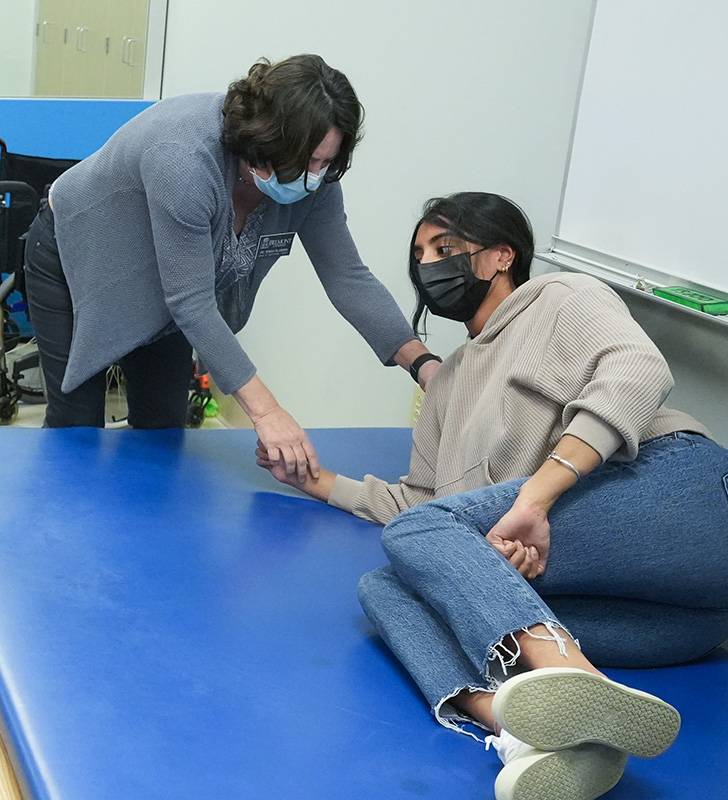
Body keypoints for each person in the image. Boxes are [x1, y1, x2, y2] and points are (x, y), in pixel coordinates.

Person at [257, 191, 728, 800]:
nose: (428, 265)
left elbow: (639, 370)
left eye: (445, 249)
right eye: (420, 254)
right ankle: (530, 734)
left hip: (685, 494)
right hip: (687, 619)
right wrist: (316, 483)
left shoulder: (561, 298)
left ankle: (568, 673)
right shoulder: (446, 382)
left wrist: (534, 501)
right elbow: (419, 506)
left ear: (501, 256)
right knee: (385, 586)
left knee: (421, 540)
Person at [23, 54, 440, 481]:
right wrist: (267, 411)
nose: (315, 177)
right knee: (77, 426)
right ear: (264, 144)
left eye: (325, 161)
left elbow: (347, 277)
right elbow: (192, 302)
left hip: (167, 284)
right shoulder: (183, 159)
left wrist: (424, 365)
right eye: (307, 161)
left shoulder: (313, 181)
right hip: (77, 256)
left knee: (163, 429)